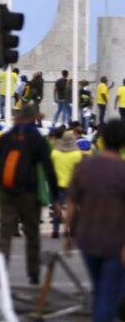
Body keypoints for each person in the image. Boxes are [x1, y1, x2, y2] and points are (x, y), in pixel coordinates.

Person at [0, 104, 58, 285]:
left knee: (5, 235)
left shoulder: (6, 137)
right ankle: (33, 275)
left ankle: (0, 277)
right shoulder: (37, 139)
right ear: (34, 117)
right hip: (29, 194)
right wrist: (54, 198)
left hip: (6, 193)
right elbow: (49, 170)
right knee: (32, 234)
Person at [63, 119, 125, 322]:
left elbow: (71, 202)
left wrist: (67, 234)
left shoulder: (84, 166)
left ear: (102, 139)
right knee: (108, 294)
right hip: (115, 244)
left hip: (87, 239)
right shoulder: (122, 170)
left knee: (100, 288)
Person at [49, 131, 82, 239]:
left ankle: (55, 229)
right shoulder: (77, 154)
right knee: (73, 208)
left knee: (57, 207)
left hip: (58, 184)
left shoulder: (55, 153)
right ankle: (72, 230)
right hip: (72, 185)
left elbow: (51, 167)